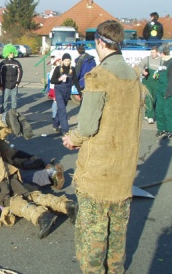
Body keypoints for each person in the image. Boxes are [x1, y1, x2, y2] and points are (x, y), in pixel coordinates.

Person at [62, 20, 143, 273]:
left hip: (97, 174)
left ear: (99, 42)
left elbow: (86, 127)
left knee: (92, 238)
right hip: (123, 172)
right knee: (117, 235)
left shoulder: (98, 77)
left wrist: (71, 139)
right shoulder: (133, 76)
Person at [50, 53, 80, 135]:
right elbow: (52, 81)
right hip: (59, 90)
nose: (67, 62)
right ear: (62, 61)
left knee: (61, 110)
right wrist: (59, 79)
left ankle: (55, 124)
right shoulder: (58, 69)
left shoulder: (72, 69)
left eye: (68, 60)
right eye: (65, 60)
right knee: (63, 109)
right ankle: (65, 130)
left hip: (67, 91)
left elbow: (75, 81)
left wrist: (80, 92)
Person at [139, 46, 161, 124]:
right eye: (151, 52)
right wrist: (143, 71)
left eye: (153, 52)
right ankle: (151, 117)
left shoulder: (161, 61)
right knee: (149, 98)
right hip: (147, 81)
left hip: (156, 83)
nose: (152, 54)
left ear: (157, 52)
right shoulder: (147, 59)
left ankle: (147, 114)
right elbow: (140, 66)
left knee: (154, 99)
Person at [0, 44, 23, 113]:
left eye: (12, 52)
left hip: (14, 85)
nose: (11, 54)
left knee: (14, 100)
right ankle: (3, 113)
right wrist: (0, 84)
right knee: (4, 100)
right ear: (7, 53)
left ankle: (13, 113)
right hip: (5, 85)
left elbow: (20, 73)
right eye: (10, 53)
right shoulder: (3, 63)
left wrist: (17, 82)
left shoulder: (16, 63)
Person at [154, 46, 172, 139]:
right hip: (159, 90)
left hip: (167, 91)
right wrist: (156, 74)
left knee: (167, 112)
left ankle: (170, 130)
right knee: (159, 110)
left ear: (162, 53)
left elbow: (171, 80)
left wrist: (168, 93)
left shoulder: (170, 62)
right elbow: (160, 72)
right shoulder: (162, 61)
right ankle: (161, 129)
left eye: (159, 53)